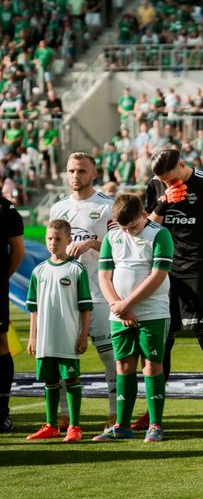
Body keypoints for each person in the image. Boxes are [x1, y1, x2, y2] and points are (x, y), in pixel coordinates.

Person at [144, 148, 203, 433]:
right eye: (162, 181)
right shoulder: (156, 186)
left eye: (170, 179)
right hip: (165, 271)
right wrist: (163, 203)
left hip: (197, 270)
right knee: (163, 342)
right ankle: (153, 412)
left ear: (182, 165)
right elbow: (146, 230)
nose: (167, 184)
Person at [93, 194, 173, 443]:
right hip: (119, 313)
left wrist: (128, 304)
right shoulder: (112, 236)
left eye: (133, 226)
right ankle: (122, 425)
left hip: (152, 312)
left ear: (143, 214)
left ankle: (155, 425)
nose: (128, 232)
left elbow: (158, 276)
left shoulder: (160, 234)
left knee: (151, 365)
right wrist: (117, 305)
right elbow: (104, 276)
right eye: (123, 227)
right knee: (123, 366)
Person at [49, 152, 117, 427]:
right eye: (71, 171)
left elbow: (118, 248)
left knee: (110, 357)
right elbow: (53, 249)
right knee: (64, 357)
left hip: (100, 292)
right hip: (68, 296)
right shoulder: (58, 208)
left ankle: (115, 413)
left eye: (81, 171)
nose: (75, 176)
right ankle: (65, 415)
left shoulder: (106, 206)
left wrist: (91, 244)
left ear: (93, 174)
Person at [24, 220, 91, 442]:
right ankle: (51, 425)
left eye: (58, 239)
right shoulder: (39, 270)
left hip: (68, 335)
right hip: (45, 336)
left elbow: (85, 308)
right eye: (50, 238)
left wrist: (83, 335)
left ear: (69, 240)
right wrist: (33, 336)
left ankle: (74, 427)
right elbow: (33, 308)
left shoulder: (76, 269)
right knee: (50, 381)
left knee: (71, 380)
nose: (53, 243)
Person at [0, 189, 25, 432]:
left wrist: (3, 277)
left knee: (1, 345)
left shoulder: (6, 211)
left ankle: (2, 412)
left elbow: (18, 251)